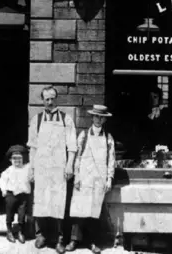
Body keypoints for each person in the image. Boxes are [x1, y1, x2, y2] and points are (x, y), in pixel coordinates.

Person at [27, 85, 77, 253]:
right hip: (41, 168)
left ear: (57, 99)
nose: (49, 102)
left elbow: (72, 146)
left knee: (59, 202)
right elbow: (32, 147)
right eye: (46, 99)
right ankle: (40, 235)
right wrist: (31, 169)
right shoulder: (37, 120)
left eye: (52, 99)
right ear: (43, 100)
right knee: (40, 201)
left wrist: (70, 165)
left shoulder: (66, 119)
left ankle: (60, 239)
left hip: (58, 168)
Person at [65, 105, 116, 254]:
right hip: (84, 179)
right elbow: (77, 157)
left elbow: (111, 160)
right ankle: (74, 240)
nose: (99, 120)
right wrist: (77, 176)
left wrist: (109, 179)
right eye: (96, 116)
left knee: (94, 212)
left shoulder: (108, 138)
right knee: (79, 210)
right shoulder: (84, 136)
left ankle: (92, 242)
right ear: (92, 117)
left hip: (98, 180)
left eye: (102, 117)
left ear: (105, 119)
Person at [0, 145, 32, 244]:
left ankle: (21, 232)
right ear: (10, 160)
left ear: (23, 159)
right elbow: (1, 181)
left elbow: (32, 169)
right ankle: (9, 231)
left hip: (23, 196)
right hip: (11, 195)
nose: (17, 160)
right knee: (10, 212)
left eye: (19, 158)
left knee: (22, 214)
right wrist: (3, 190)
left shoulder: (27, 168)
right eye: (14, 158)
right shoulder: (8, 171)